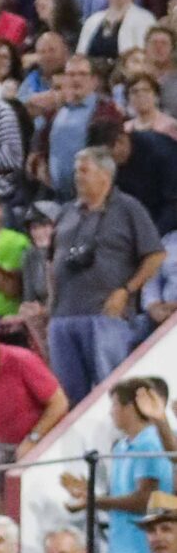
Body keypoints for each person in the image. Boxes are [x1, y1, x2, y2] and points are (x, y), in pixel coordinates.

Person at [47, 149, 162, 406]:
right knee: (69, 397)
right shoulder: (66, 212)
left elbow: (154, 255)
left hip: (105, 315)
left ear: (105, 175)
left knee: (114, 391)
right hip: (63, 317)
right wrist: (51, 302)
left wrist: (126, 290)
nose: (77, 176)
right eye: (77, 170)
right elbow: (52, 259)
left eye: (84, 170)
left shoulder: (128, 208)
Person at [62, 379, 176, 553]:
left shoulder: (150, 442)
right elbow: (123, 496)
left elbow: (145, 500)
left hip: (142, 548)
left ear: (131, 407)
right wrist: (88, 493)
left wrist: (92, 501)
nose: (110, 412)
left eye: (114, 404)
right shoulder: (121, 445)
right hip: (119, 547)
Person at [0, 318, 68, 508]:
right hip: (0, 439)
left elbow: (59, 403)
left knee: (24, 478)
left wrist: (33, 439)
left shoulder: (22, 360)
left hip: (40, 433)